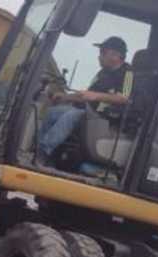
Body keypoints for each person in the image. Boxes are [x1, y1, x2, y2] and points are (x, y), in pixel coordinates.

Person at [38, 36, 135, 165]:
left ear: (115, 55)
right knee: (53, 112)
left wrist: (96, 96)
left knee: (71, 115)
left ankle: (44, 152)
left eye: (102, 53)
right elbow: (86, 95)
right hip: (88, 112)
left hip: (105, 118)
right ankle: (40, 150)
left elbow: (124, 99)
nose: (99, 56)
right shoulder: (102, 73)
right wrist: (65, 96)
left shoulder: (128, 73)